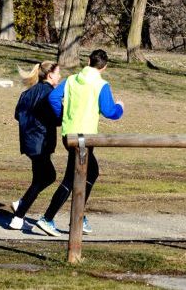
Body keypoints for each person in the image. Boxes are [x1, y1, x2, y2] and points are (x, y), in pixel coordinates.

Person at [35, 49, 124, 237]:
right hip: (85, 138)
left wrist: (62, 115)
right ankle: (48, 218)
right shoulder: (101, 84)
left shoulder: (71, 79)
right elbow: (110, 112)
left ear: (89, 60)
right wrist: (120, 107)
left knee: (91, 172)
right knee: (71, 178)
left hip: (70, 134)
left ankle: (78, 215)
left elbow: (52, 97)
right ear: (104, 67)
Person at [9, 61, 62, 230]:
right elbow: (56, 119)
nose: (60, 76)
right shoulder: (49, 94)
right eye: (58, 73)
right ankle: (18, 216)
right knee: (48, 177)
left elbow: (18, 114)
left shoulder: (28, 93)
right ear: (50, 75)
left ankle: (21, 205)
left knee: (39, 178)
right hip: (41, 143)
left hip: (29, 142)